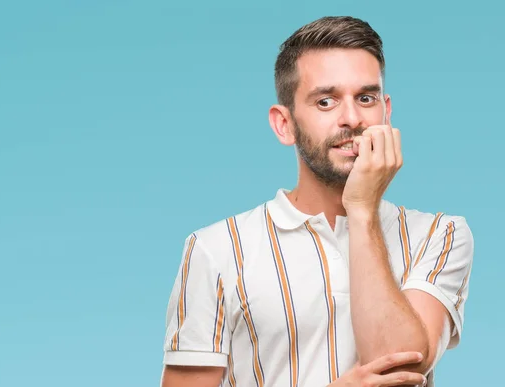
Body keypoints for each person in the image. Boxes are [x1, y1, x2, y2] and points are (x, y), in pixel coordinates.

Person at [160, 16, 474, 387]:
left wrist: (361, 211)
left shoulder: (441, 234)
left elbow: (398, 369)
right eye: (325, 101)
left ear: (386, 111)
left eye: (366, 98)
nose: (353, 118)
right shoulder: (216, 250)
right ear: (284, 124)